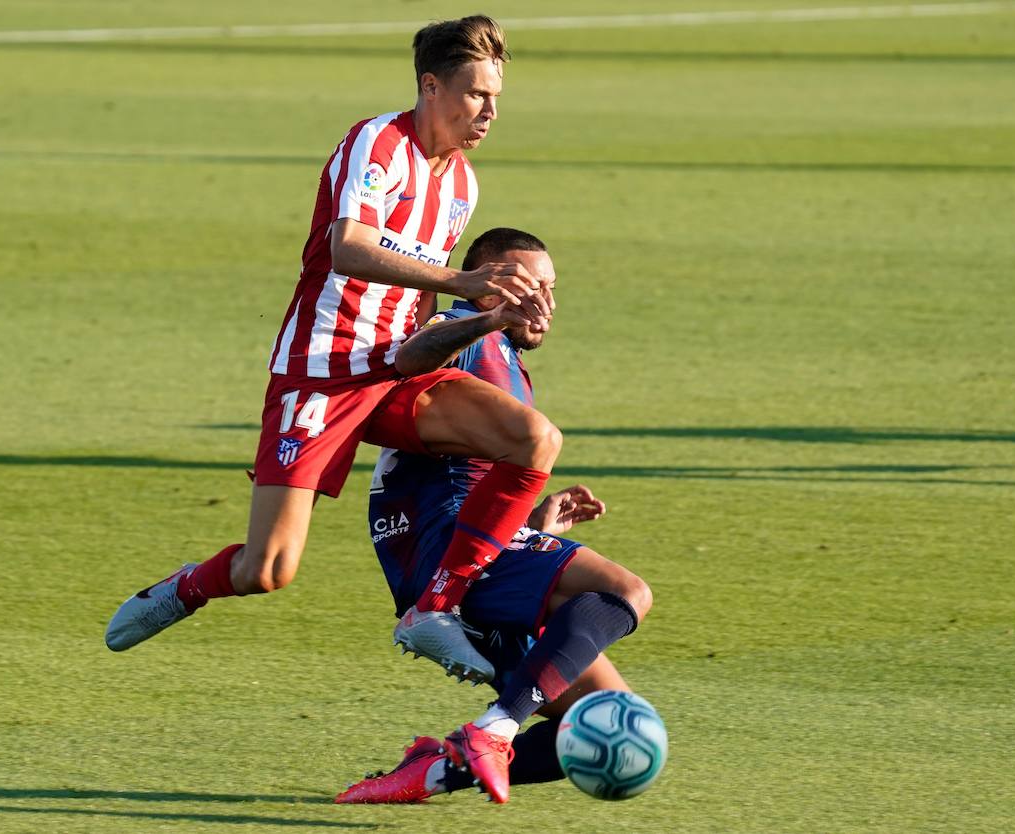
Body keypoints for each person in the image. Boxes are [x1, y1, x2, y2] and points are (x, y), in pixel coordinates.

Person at [104, 15, 561, 684]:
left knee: (534, 440)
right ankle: (185, 588)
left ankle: (436, 609)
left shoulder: (461, 184)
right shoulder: (378, 143)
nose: (489, 111)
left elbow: (417, 334)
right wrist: (464, 279)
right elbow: (349, 247)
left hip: (395, 375)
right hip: (321, 375)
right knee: (269, 569)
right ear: (430, 87)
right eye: (474, 93)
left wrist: (492, 317)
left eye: (496, 96)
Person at [336, 228, 652, 805]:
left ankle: (434, 771)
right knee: (625, 591)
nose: (544, 304)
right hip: (447, 552)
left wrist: (535, 527)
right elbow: (411, 354)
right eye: (528, 287)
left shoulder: (502, 357)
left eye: (551, 289)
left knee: (614, 729)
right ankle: (496, 727)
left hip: (468, 551)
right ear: (488, 287)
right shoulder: (462, 330)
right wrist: (480, 318)